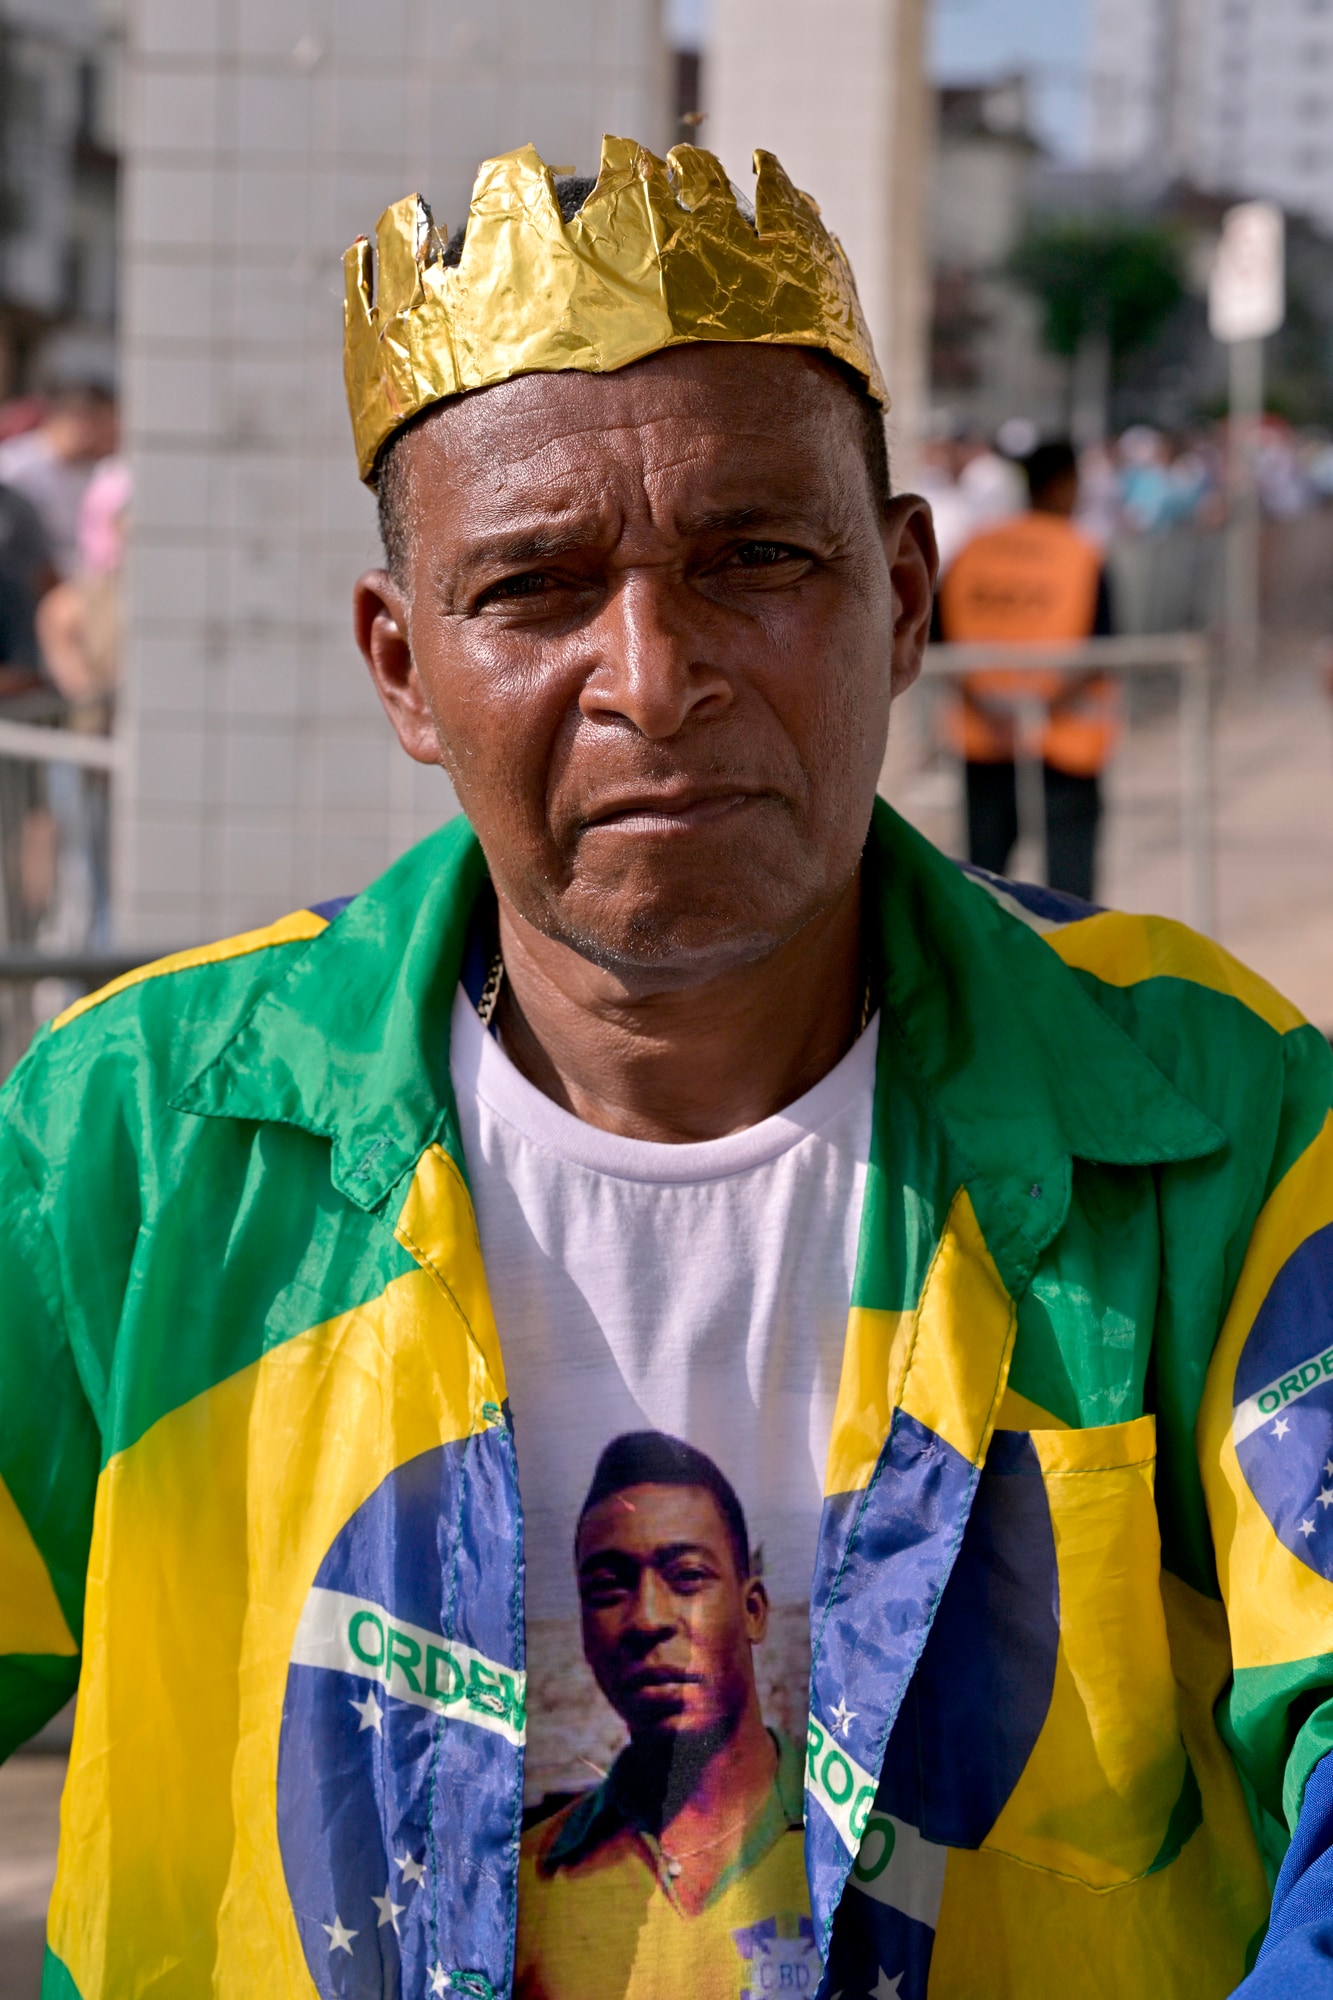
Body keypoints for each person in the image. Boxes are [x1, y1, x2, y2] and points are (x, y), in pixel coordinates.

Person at [0, 136, 1330, 2000]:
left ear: (904, 597)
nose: (652, 675)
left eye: (752, 560)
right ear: (402, 666)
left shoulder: (1206, 1114)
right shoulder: (132, 1139)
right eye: (533, 588)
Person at [516, 1433, 812, 2000]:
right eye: (608, 1588)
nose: (647, 1619)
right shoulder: (522, 1887)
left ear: (753, 1610)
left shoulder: (863, 1842)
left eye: (687, 1577)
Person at [938, 438, 1120, 901]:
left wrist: (991, 707)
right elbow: (1101, 651)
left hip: (987, 741)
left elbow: (937, 640)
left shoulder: (974, 550)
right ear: (1065, 484)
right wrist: (1039, 708)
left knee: (983, 892)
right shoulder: (1080, 554)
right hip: (1063, 746)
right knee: (1070, 901)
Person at [0, 382, 118, 579]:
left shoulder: (90, 469)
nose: (108, 434)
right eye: (102, 424)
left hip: (81, 578)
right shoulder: (13, 465)